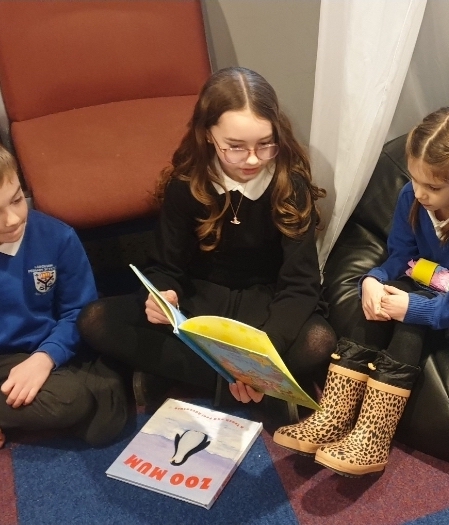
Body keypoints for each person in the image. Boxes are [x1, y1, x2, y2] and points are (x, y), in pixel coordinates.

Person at [273, 107, 449, 476]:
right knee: (379, 301)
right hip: (427, 287)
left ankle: (374, 434)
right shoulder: (411, 196)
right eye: (415, 181)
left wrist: (412, 309)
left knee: (409, 315)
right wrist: (373, 280)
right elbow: (400, 256)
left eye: (434, 187)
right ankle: (335, 415)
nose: (420, 193)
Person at [77, 66, 337, 415]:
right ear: (208, 135)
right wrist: (161, 295)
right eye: (235, 147)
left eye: (265, 145)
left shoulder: (290, 186)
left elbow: (301, 284)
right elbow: (165, 267)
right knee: (95, 319)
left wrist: (260, 359)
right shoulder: (186, 185)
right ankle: (248, 388)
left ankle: (181, 376)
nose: (252, 159)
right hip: (202, 301)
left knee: (319, 342)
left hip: (264, 305)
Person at [0, 145, 128, 448]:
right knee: (76, 400)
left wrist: (46, 357)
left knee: (103, 425)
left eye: (17, 200)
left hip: (42, 348)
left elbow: (78, 311)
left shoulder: (58, 237)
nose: (13, 219)